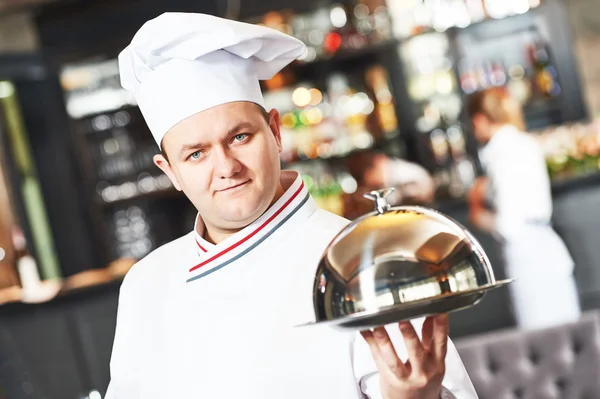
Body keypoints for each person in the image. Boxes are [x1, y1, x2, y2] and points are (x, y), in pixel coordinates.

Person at [105, 12, 478, 399]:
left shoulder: (363, 261)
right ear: (171, 172)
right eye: (196, 154)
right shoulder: (145, 285)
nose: (226, 168)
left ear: (275, 132)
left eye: (239, 137)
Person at [466, 87, 581, 331]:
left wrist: (477, 213)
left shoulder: (502, 153)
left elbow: (509, 224)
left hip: (529, 259)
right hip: (545, 250)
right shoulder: (522, 143)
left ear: (479, 120)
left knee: (542, 340)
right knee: (569, 338)